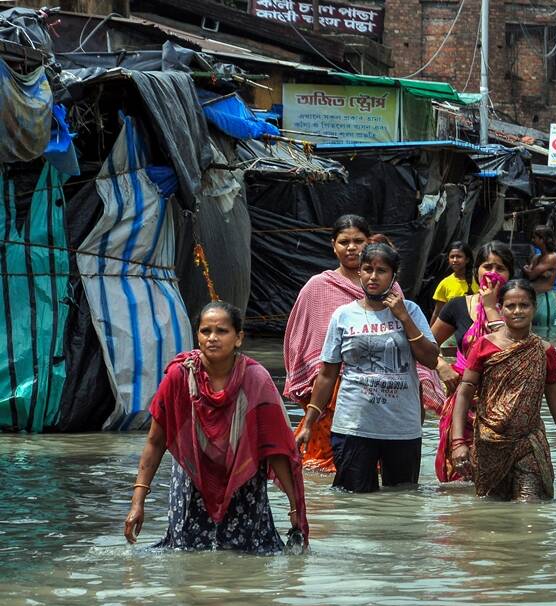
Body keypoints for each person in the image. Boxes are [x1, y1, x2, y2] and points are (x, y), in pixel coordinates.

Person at [124, 301, 307, 554]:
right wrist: (137, 503)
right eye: (205, 331)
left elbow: (275, 449)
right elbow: (156, 442)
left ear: (239, 338)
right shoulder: (179, 377)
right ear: (197, 336)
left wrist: (294, 506)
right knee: (186, 559)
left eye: (222, 331)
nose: (212, 338)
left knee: (249, 560)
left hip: (244, 488)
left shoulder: (256, 380)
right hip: (192, 484)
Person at [283, 217, 443, 473]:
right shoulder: (322, 290)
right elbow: (304, 342)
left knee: (399, 492)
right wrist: (312, 416)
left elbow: (420, 356)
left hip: (397, 412)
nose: (351, 247)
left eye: (358, 241)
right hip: (343, 402)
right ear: (333, 245)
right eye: (344, 242)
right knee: (338, 479)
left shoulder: (400, 299)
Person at [450, 279, 556, 500]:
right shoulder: (484, 346)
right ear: (500, 309)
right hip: (489, 441)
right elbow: (464, 393)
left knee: (528, 508)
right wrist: (458, 442)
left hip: (528, 441)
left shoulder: (544, 351)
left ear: (535, 307)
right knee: (491, 510)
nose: (517, 311)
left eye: (524, 305)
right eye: (510, 306)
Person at [431, 242, 514, 482]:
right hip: (462, 403)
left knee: (497, 479)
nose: (492, 272)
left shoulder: (517, 309)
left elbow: (513, 350)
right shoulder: (458, 306)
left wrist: (491, 307)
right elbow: (426, 345)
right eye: (487, 266)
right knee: (459, 478)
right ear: (476, 270)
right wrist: (441, 366)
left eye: (500, 267)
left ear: (510, 274)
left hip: (502, 404)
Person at [523, 225, 556, 329]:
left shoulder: (551, 257)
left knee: (545, 333)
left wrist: (529, 270)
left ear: (542, 239)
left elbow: (531, 274)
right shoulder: (537, 257)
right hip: (532, 298)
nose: (533, 240)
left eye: (535, 237)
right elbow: (529, 273)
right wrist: (536, 272)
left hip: (544, 299)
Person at [431, 241, 477, 324]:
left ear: (467, 259)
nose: (455, 260)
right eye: (452, 257)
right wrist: (430, 335)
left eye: (459, 256)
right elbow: (437, 313)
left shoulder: (478, 281)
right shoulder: (445, 283)